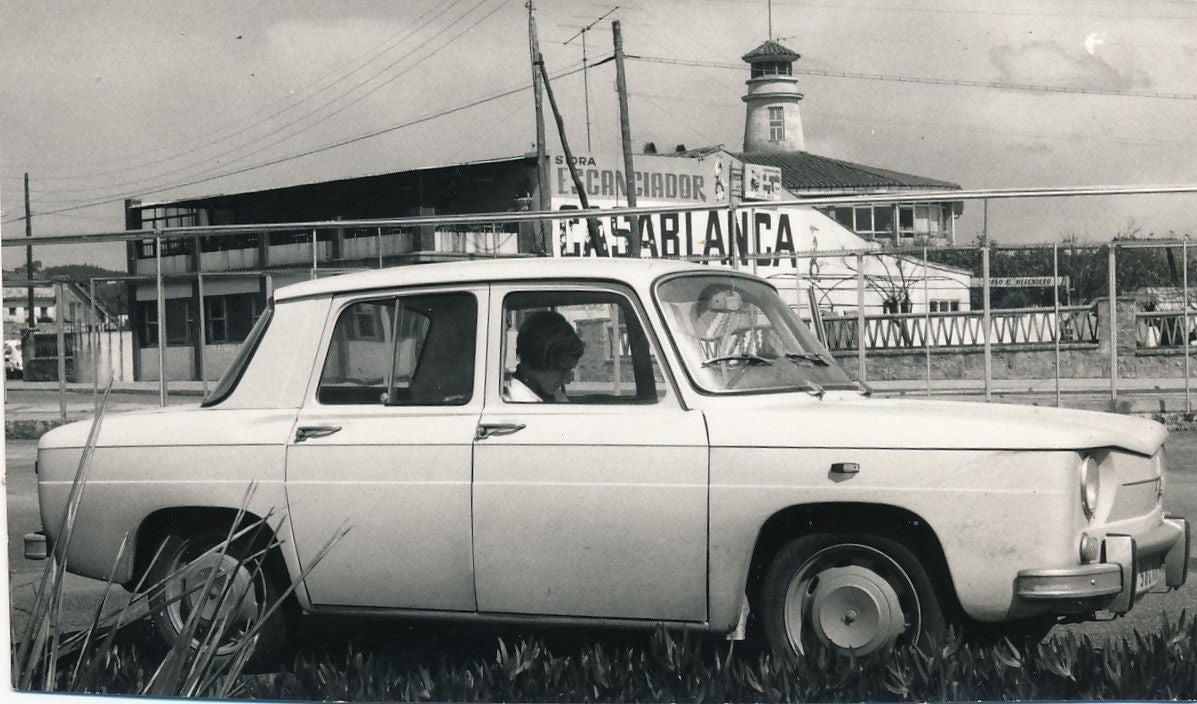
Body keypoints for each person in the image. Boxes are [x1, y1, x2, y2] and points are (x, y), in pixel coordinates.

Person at [506, 310, 585, 402]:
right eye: (562, 370)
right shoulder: (517, 405)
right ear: (534, 362)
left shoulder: (555, 396)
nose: (568, 380)